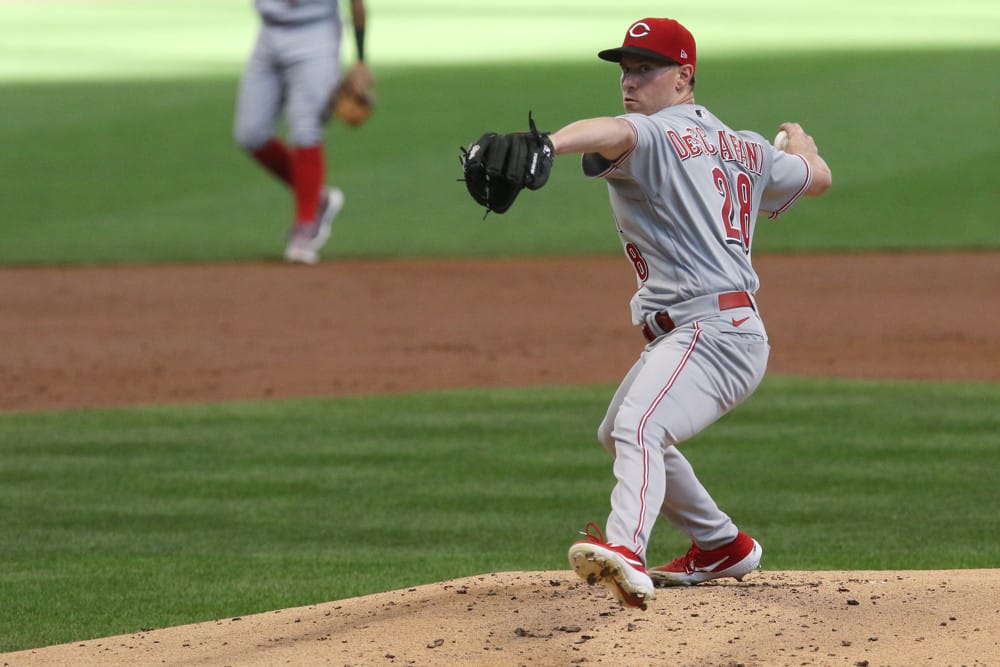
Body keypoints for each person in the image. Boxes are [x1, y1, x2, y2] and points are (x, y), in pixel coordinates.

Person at [465, 17, 831, 609]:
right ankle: (720, 546)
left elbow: (614, 130)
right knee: (617, 432)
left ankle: (626, 552)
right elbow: (817, 178)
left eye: (646, 69)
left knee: (640, 425)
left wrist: (549, 143)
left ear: (684, 76)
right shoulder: (745, 147)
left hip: (711, 333)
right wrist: (802, 148)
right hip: (719, 330)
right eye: (625, 69)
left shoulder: (654, 135)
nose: (630, 81)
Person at [233, 0, 368, 265]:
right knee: (251, 133)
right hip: (268, 34)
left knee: (306, 130)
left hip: (315, 34)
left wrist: (361, 59)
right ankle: (318, 198)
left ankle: (305, 226)